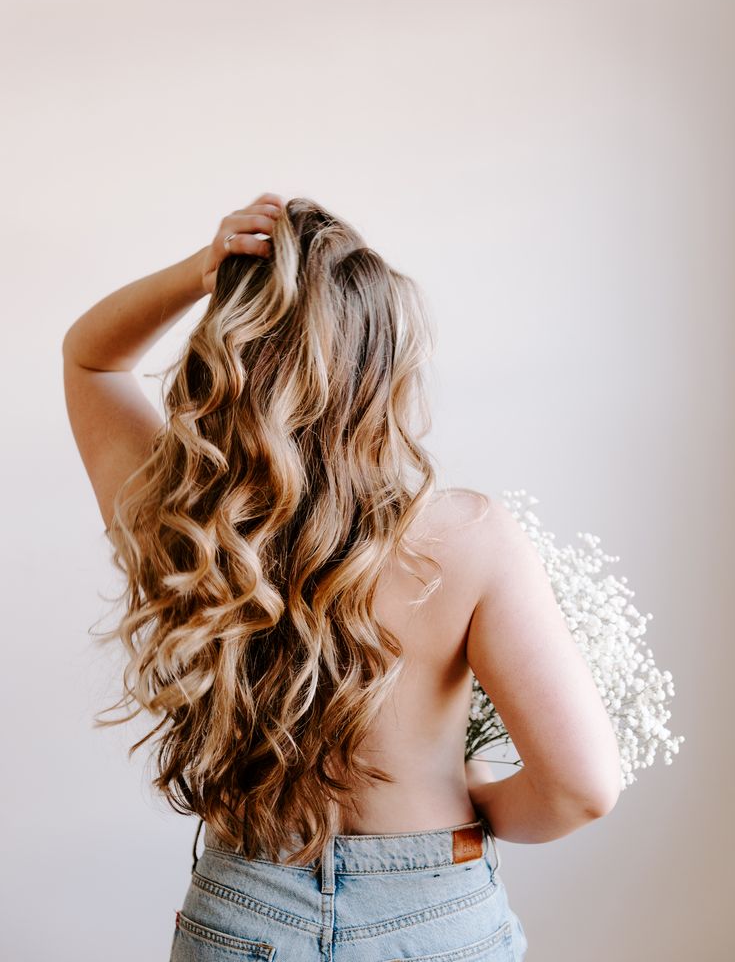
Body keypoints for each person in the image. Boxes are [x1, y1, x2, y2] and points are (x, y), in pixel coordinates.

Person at [62, 193, 621, 961]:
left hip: (246, 909)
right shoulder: (467, 538)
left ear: (231, 356)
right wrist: (479, 800)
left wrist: (204, 271)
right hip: (435, 912)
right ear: (385, 367)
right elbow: (581, 788)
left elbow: (90, 355)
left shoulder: (181, 520)